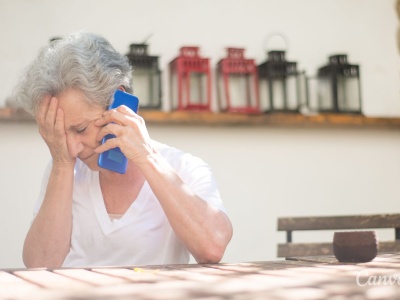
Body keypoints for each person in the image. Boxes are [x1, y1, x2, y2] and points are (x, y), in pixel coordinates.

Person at [14, 31, 233, 268]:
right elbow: (39, 266)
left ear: (119, 102)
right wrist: (62, 165)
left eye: (81, 129)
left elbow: (212, 247)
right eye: (61, 133)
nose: (73, 148)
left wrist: (146, 158)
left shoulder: (184, 167)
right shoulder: (64, 166)